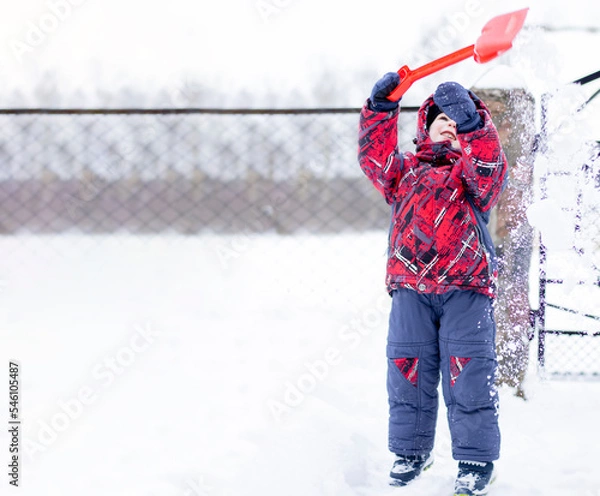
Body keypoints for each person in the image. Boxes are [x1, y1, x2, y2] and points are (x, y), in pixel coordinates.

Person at [358, 72, 508, 496]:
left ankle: (476, 459)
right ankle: (410, 452)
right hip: (410, 290)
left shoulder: (473, 175)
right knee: (407, 371)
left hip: (467, 289)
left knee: (470, 374)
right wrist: (380, 110)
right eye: (439, 117)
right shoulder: (403, 173)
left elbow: (489, 164)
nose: (448, 121)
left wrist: (473, 123)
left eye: (455, 119)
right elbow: (375, 158)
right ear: (424, 129)